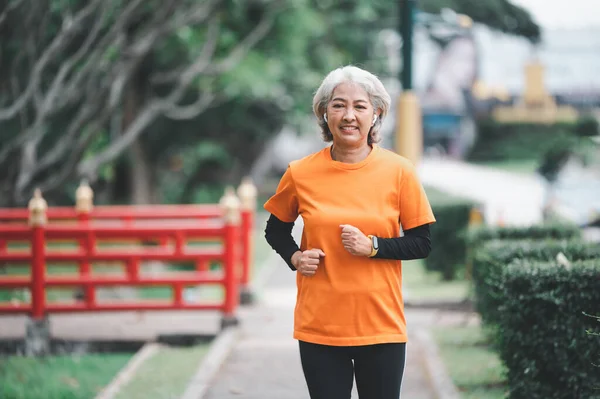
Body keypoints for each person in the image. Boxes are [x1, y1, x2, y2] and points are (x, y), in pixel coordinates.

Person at [263, 65, 436, 399]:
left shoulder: (399, 171)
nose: (349, 115)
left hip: (380, 326)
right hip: (320, 327)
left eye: (360, 106)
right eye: (338, 105)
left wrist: (373, 246)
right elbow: (275, 231)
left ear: (376, 114)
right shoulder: (301, 173)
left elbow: (421, 243)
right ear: (324, 113)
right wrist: (296, 257)